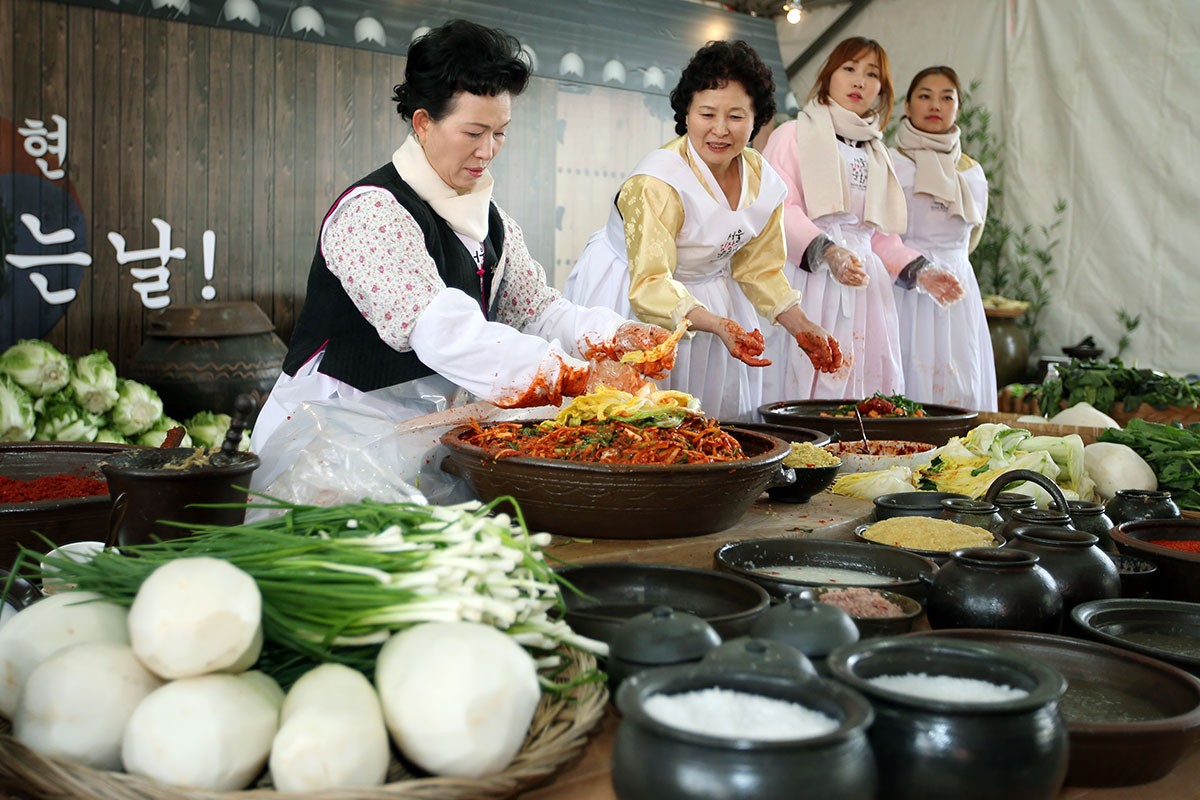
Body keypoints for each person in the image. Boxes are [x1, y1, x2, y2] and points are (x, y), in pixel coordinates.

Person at [251, 20, 671, 460]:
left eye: (500, 132)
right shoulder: (372, 211)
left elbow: (538, 311)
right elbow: (443, 332)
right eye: (473, 133)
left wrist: (614, 334)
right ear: (423, 123)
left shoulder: (492, 221)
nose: (488, 150)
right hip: (329, 436)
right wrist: (572, 376)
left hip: (417, 433)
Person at [563, 40, 841, 420]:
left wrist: (803, 327)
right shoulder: (657, 182)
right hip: (634, 290)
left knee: (707, 419)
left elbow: (758, 270)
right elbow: (650, 284)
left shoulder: (764, 184)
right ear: (686, 113)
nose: (720, 130)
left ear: (757, 118)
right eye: (707, 114)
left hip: (712, 293)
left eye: (736, 117)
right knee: (634, 416)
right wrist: (716, 324)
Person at [761, 37, 963, 403]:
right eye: (849, 69)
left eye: (872, 75)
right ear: (828, 75)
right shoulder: (791, 135)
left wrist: (921, 272)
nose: (859, 81)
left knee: (864, 389)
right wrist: (829, 252)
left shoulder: (876, 152)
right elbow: (778, 210)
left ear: (882, 90)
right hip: (808, 280)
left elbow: (878, 236)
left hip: (866, 289)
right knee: (804, 381)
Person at [890, 66, 996, 411]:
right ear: (907, 105)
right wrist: (918, 268)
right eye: (924, 95)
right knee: (907, 370)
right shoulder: (890, 162)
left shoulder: (971, 171)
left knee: (960, 372)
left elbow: (973, 236)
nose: (935, 104)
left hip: (958, 285)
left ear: (958, 107)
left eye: (946, 97)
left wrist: (951, 266)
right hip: (904, 285)